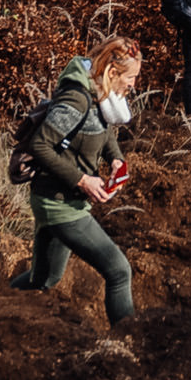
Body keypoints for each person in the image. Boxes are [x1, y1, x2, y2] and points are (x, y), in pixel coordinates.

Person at [16, 42, 144, 333]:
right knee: (119, 271)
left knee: (44, 279)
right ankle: (128, 342)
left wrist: (115, 159)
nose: (133, 85)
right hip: (60, 204)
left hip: (59, 198)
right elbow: (40, 146)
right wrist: (83, 180)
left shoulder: (96, 94)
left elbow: (102, 126)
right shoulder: (75, 101)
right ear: (112, 71)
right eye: (131, 77)